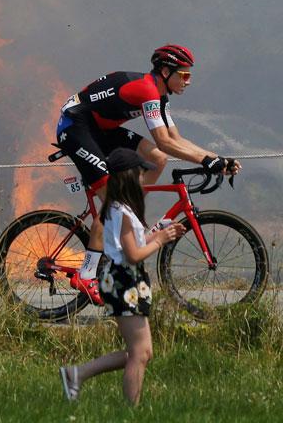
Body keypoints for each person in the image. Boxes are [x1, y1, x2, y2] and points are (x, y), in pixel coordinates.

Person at [54, 44, 240, 303]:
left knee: (157, 159)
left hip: (100, 129)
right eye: (184, 75)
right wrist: (208, 160)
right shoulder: (147, 90)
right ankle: (85, 276)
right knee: (114, 205)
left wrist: (216, 159)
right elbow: (164, 140)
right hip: (76, 126)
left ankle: (130, 216)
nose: (188, 81)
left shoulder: (160, 94)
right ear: (166, 71)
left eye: (190, 76)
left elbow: (174, 140)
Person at [60, 148, 185, 405]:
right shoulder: (122, 213)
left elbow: (136, 244)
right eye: (140, 174)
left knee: (142, 352)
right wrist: (160, 241)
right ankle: (130, 411)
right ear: (128, 177)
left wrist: (163, 233)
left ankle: (77, 374)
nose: (143, 179)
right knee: (139, 353)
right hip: (123, 283)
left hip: (126, 283)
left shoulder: (120, 209)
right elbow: (133, 255)